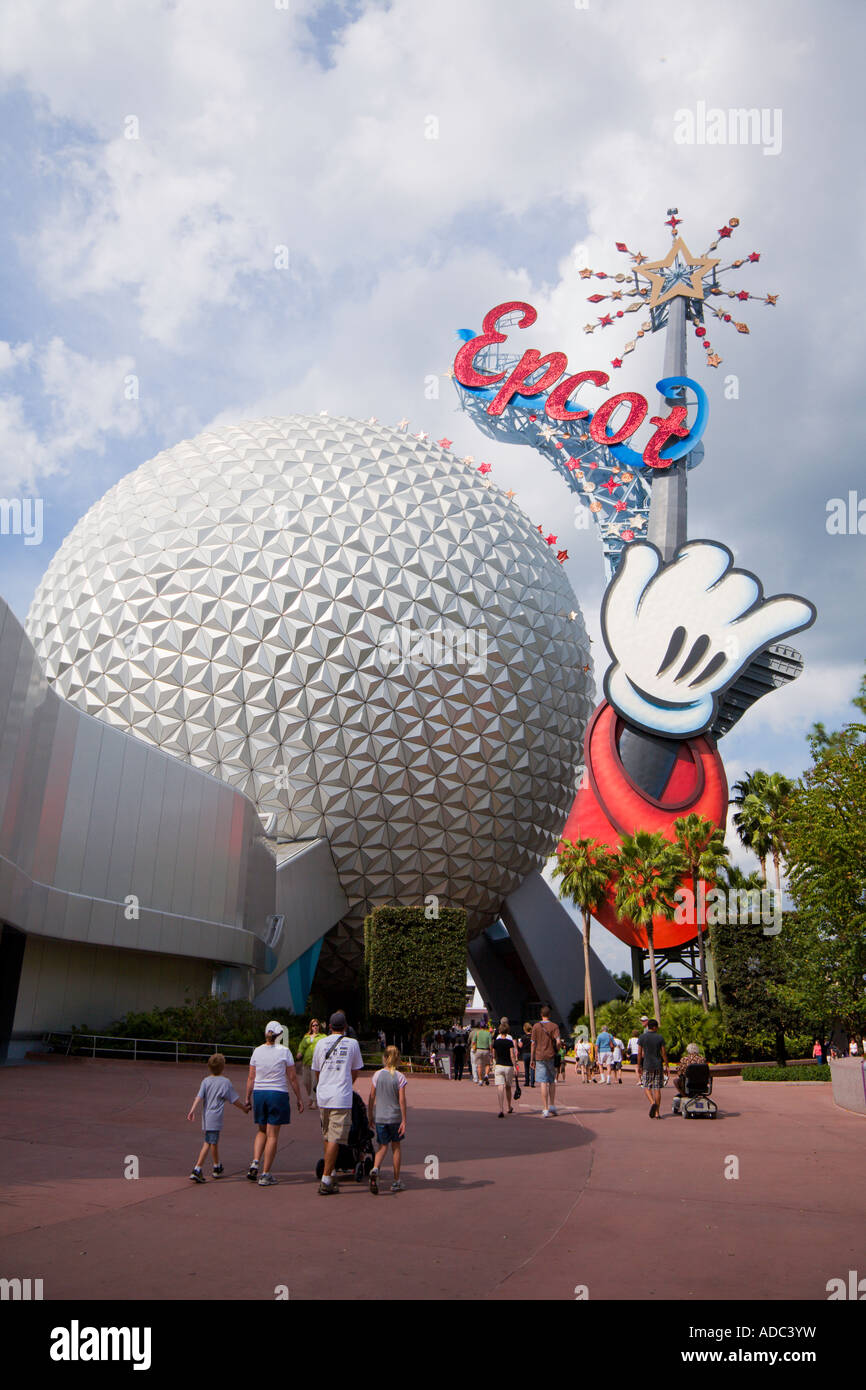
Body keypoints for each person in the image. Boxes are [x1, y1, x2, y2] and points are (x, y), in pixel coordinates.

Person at [245, 1022, 304, 1186]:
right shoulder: (284, 1051)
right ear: (279, 1035)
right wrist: (299, 1098)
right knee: (272, 1135)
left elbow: (251, 1077)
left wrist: (247, 1097)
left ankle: (255, 1162)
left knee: (261, 1130)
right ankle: (265, 1174)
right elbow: (292, 1078)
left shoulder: (257, 1051)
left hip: (259, 1093)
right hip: (277, 1093)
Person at [311, 1011, 364, 1195]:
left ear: (330, 1027)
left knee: (327, 1135)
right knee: (335, 1137)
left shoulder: (320, 1043)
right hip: (341, 1095)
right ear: (346, 1027)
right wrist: (346, 1083)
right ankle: (326, 1179)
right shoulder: (352, 1044)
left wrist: (325, 1083)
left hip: (324, 1094)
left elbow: (317, 1070)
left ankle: (331, 1171)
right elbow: (356, 1070)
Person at [187, 1052, 250, 1182]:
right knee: (208, 1143)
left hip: (206, 1116)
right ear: (222, 1067)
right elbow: (234, 1100)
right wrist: (244, 1108)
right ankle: (197, 1169)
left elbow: (199, 1096)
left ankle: (217, 1166)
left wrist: (192, 1110)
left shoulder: (206, 1081)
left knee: (213, 1142)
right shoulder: (225, 1082)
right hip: (215, 1117)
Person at [368, 1045, 408, 1194]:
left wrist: (370, 1115)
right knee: (396, 1147)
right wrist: (404, 1120)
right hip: (395, 1116)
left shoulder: (377, 1075)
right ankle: (396, 1180)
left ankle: (375, 1168)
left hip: (380, 1116)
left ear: (384, 1057)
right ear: (397, 1059)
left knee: (382, 1146)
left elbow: (371, 1096)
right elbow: (402, 1100)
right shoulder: (399, 1077)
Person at [530, 1006, 561, 1116]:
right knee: (551, 1081)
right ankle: (552, 1105)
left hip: (539, 1056)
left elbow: (533, 1043)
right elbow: (558, 1042)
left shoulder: (536, 1026)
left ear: (541, 1014)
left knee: (543, 1081)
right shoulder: (554, 1026)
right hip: (551, 1055)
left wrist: (532, 1058)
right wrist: (557, 1048)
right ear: (550, 1015)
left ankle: (545, 1108)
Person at [636, 1018, 669, 1119]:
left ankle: (652, 1102)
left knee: (646, 1086)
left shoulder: (642, 1037)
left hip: (647, 1065)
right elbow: (663, 1053)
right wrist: (666, 1065)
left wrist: (639, 1065)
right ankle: (657, 1113)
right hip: (658, 1065)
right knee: (657, 1089)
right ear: (655, 1027)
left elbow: (639, 1053)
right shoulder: (660, 1038)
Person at [296, 1018, 326, 1108]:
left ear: (319, 1026)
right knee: (306, 1081)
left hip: (316, 1063)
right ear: (311, 1027)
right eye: (313, 1025)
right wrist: (299, 1052)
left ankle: (314, 1101)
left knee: (314, 1081)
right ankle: (310, 1097)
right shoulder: (307, 1037)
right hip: (306, 1062)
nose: (315, 1027)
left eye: (317, 1025)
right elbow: (302, 1046)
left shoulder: (323, 1036)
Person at [670, 1042, 707, 1114]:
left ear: (688, 1050)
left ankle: (685, 1096)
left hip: (689, 1084)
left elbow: (680, 1072)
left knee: (676, 1081)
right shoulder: (703, 1059)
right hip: (702, 1084)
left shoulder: (684, 1059)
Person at [492, 1019, 518, 1117]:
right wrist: (515, 1065)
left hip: (499, 1065)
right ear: (507, 1032)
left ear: (499, 1031)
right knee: (508, 1087)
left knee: (500, 1087)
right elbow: (512, 1055)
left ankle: (501, 1108)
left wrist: (493, 1062)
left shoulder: (496, 1042)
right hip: (508, 1066)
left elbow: (494, 1055)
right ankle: (509, 1106)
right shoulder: (509, 1042)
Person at [473, 1019, 492, 1086]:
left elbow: (473, 1042)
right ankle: (486, 1075)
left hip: (478, 1050)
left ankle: (480, 1080)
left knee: (479, 1066)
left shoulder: (477, 1033)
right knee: (487, 1064)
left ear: (480, 1026)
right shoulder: (488, 1033)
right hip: (486, 1050)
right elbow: (490, 1044)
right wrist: (491, 1052)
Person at [518, 1023, 535, 1088]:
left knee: (526, 1068)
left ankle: (527, 1082)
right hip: (532, 1053)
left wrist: (518, 1043)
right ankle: (532, 1082)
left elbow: (520, 1045)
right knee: (532, 1067)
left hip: (525, 1053)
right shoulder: (533, 1036)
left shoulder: (523, 1037)